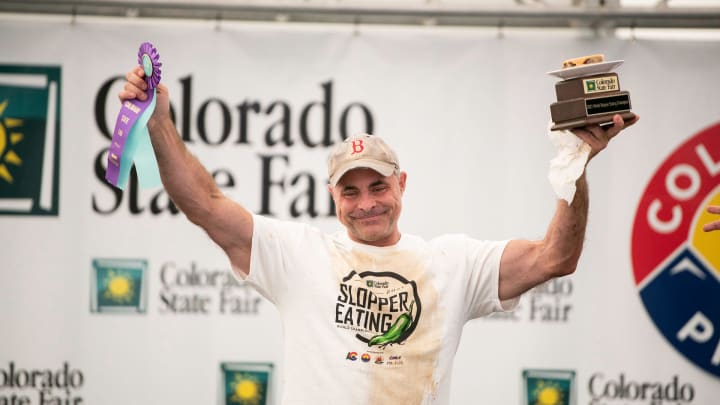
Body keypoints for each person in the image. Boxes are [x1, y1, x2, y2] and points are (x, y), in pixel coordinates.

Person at [119, 65, 638, 404]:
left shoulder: (452, 263)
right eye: (350, 191)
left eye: (377, 185)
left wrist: (575, 166)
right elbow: (205, 206)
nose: (366, 203)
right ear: (332, 197)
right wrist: (161, 123)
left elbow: (555, 257)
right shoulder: (298, 255)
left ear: (401, 184)